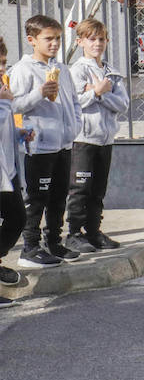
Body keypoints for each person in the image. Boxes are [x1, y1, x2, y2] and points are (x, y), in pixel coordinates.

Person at [7, 15, 81, 268]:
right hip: (39, 146)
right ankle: (30, 247)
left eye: (58, 38)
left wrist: (75, 127)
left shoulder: (62, 69)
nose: (54, 44)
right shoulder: (23, 69)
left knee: (59, 196)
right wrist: (39, 93)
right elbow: (11, 105)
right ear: (32, 40)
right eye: (48, 39)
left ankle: (54, 241)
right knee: (38, 196)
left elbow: (74, 103)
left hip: (63, 143)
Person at [65, 19, 129, 254]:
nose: (97, 43)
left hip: (105, 139)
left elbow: (123, 104)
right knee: (80, 188)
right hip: (84, 138)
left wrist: (99, 94)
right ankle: (73, 233)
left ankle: (93, 231)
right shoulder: (78, 70)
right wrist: (96, 93)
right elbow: (75, 101)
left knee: (98, 190)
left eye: (101, 39)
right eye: (92, 39)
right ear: (81, 41)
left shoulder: (112, 72)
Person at [0, 36, 29, 299]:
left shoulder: (2, 88)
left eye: (3, 63)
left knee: (17, 218)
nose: (2, 69)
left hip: (7, 169)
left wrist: (20, 134)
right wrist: (5, 103)